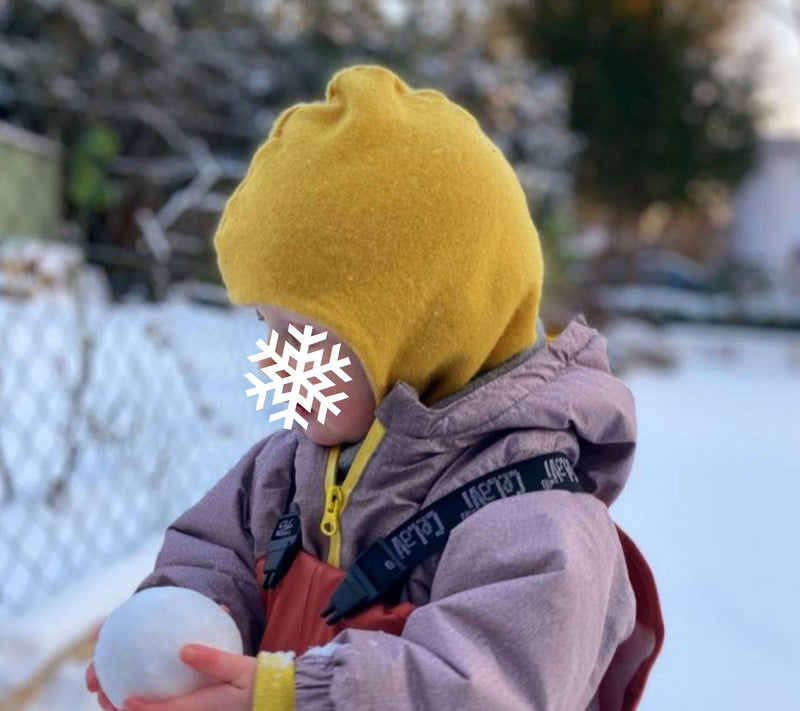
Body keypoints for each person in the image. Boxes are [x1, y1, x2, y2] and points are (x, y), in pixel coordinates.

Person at [86, 63, 663, 711]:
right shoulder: (281, 473)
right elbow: (208, 548)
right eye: (265, 326)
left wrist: (287, 695)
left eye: (309, 336)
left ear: (422, 334)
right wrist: (187, 629)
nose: (277, 363)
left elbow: (479, 689)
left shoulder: (537, 527)